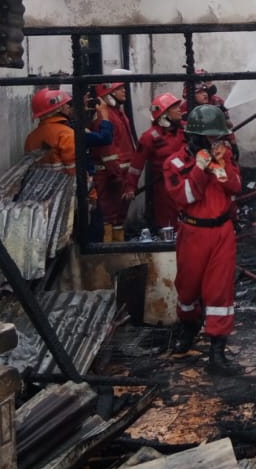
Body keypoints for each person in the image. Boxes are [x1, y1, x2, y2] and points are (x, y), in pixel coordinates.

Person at [162, 103, 244, 374]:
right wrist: (199, 168)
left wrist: (219, 166)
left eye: (217, 136)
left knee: (220, 291)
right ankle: (188, 326)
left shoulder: (224, 156)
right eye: (210, 137)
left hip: (221, 232)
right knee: (188, 289)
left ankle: (217, 351)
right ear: (195, 136)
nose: (215, 142)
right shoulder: (173, 163)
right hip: (193, 232)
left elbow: (235, 187)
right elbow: (185, 197)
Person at [91, 77, 139, 242]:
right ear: (108, 93)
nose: (124, 91)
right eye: (119, 89)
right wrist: (117, 174)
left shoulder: (118, 113)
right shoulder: (103, 116)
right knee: (108, 216)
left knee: (119, 217)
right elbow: (107, 150)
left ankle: (118, 250)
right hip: (109, 176)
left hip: (119, 175)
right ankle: (109, 254)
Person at [24, 88, 113, 174]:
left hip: (40, 188)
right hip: (67, 187)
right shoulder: (66, 134)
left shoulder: (30, 138)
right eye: (65, 104)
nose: (68, 106)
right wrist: (104, 116)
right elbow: (75, 172)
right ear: (57, 109)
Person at [136, 93, 187, 233]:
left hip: (188, 182)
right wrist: (129, 186)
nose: (179, 109)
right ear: (163, 113)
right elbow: (136, 164)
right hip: (164, 187)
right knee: (167, 223)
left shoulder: (186, 130)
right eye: (174, 107)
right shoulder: (149, 137)